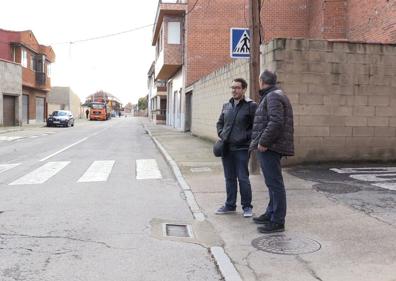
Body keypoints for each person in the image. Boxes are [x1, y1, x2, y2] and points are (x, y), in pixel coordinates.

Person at [249, 70, 294, 233]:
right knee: (271, 183)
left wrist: (263, 142)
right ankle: (270, 213)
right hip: (271, 146)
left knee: (275, 184)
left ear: (261, 81)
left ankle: (277, 221)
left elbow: (276, 122)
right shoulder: (273, 94)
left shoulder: (273, 96)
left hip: (270, 147)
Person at [215, 78, 257, 217]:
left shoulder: (251, 106)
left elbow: (256, 127)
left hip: (242, 149)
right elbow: (220, 123)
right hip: (226, 148)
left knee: (243, 178)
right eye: (232, 87)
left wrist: (244, 136)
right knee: (229, 178)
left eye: (237, 88)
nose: (234, 90)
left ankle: (247, 207)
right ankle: (230, 205)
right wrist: (222, 134)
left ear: (244, 89)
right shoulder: (226, 105)